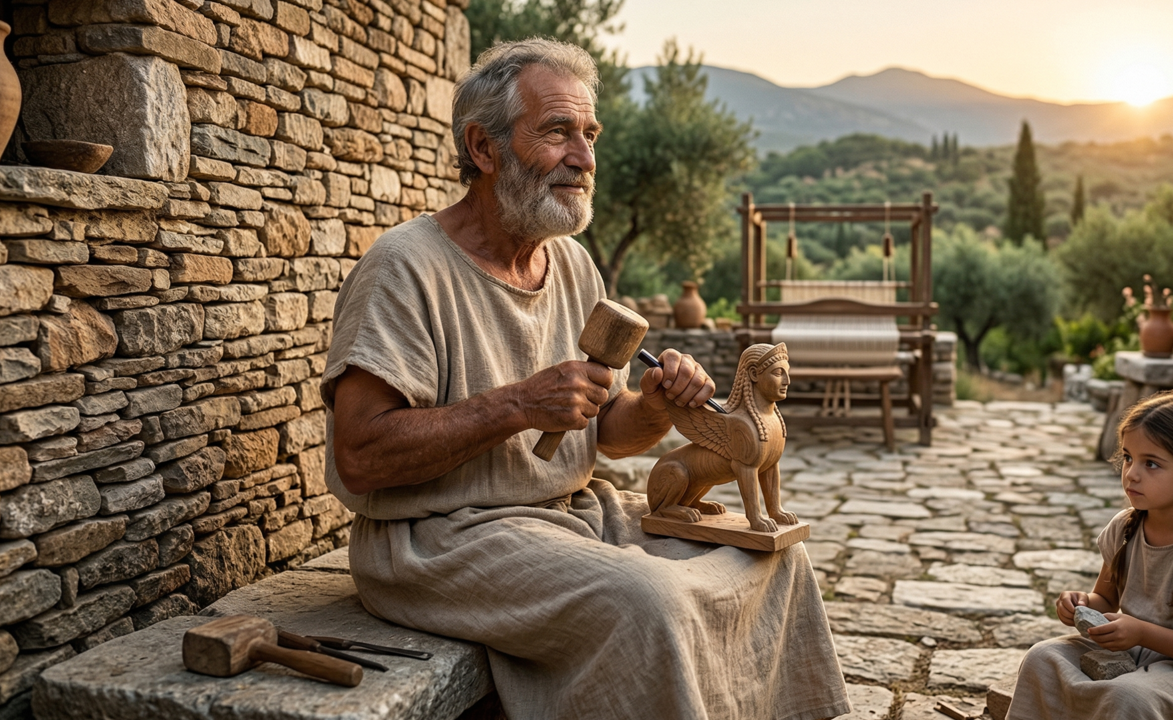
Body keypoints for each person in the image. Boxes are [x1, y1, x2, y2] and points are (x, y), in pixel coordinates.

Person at [320, 38, 850, 720]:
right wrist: (518, 405)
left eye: (591, 135)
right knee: (649, 601)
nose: (585, 159)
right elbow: (359, 457)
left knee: (773, 564)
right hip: (440, 539)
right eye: (558, 133)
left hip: (572, 516)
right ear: (484, 149)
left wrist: (654, 408)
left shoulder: (571, 266)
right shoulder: (404, 268)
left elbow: (607, 434)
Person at [1007, 391, 1173, 720]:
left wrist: (1141, 632)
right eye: (1128, 457)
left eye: (1151, 463)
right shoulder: (1124, 529)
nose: (1131, 473)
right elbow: (1104, 600)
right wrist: (1080, 604)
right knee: (1042, 657)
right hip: (1130, 651)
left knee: (1128, 696)